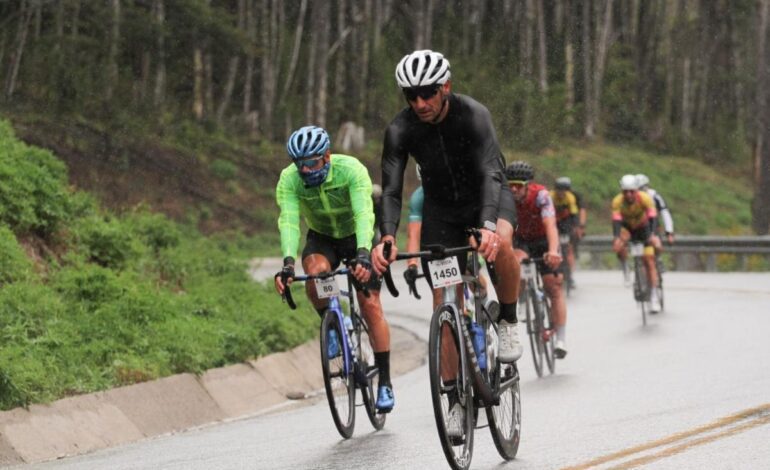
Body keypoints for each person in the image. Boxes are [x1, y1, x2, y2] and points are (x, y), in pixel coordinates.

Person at [371, 49, 522, 437]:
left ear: (446, 87)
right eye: (411, 96)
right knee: (444, 303)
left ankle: (507, 318)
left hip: (487, 198)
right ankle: (454, 399)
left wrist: (488, 225)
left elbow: (491, 170)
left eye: (427, 93)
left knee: (502, 243)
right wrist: (387, 235)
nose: (419, 103)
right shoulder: (400, 129)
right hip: (442, 211)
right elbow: (391, 190)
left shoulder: (473, 115)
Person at [274, 125, 395, 412]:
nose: (305, 170)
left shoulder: (350, 169)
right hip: (323, 238)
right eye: (299, 164)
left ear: (327, 156)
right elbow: (289, 221)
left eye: (312, 163)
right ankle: (331, 323)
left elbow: (364, 213)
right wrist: (288, 263)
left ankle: (386, 381)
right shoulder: (289, 180)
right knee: (315, 273)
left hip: (356, 237)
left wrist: (365, 254)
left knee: (370, 304)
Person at [507, 162, 568, 358]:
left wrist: (553, 251)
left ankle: (560, 338)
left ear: (527, 185)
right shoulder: (505, 197)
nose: (514, 189)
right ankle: (522, 301)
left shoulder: (541, 195)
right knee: (517, 264)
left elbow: (550, 225)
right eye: (511, 185)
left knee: (554, 287)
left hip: (542, 240)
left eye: (518, 185)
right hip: (521, 241)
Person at [612, 174, 662, 312]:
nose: (628, 195)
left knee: (649, 261)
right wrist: (616, 238)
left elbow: (653, 218)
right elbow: (616, 221)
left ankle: (653, 297)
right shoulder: (617, 201)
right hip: (627, 227)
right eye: (625, 191)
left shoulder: (645, 198)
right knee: (619, 243)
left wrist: (652, 235)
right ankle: (626, 269)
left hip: (643, 228)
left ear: (636, 190)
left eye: (631, 191)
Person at [550, 176, 583, 289]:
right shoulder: (550, 196)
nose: (561, 193)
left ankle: (570, 275)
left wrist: (576, 227)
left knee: (568, 249)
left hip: (565, 222)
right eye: (559, 190)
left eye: (563, 190)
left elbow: (574, 215)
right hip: (553, 220)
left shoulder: (570, 197)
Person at [636, 174, 674, 245]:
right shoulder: (631, 198)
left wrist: (669, 232)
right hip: (637, 227)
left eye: (644, 188)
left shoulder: (654, 196)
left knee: (655, 246)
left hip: (653, 227)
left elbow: (665, 212)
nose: (642, 191)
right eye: (639, 189)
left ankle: (657, 255)